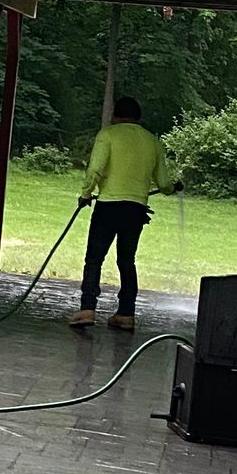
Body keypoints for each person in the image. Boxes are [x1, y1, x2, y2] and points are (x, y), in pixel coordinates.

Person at [69, 95, 176, 331]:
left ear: (115, 116)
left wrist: (86, 194)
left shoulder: (107, 135)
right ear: (139, 118)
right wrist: (171, 188)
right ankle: (126, 313)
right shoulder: (152, 142)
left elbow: (96, 168)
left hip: (108, 206)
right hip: (136, 209)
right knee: (127, 260)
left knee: (94, 258)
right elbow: (164, 182)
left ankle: (87, 308)